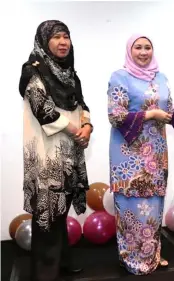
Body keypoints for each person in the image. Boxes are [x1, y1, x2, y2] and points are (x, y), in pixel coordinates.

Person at [107, 34, 174, 275]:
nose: (143, 52)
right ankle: (131, 259)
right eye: (138, 47)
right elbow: (115, 115)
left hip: (156, 152)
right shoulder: (120, 77)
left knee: (153, 204)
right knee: (131, 204)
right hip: (128, 154)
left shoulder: (161, 78)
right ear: (130, 50)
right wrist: (150, 115)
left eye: (147, 47)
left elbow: (167, 113)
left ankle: (151, 255)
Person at [19, 20, 93, 281]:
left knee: (61, 210)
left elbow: (82, 104)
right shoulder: (32, 72)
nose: (63, 42)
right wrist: (77, 131)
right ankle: (44, 272)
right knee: (47, 213)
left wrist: (87, 126)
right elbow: (44, 111)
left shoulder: (70, 74)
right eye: (57, 37)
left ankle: (61, 261)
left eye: (67, 37)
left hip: (71, 152)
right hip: (46, 152)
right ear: (44, 41)